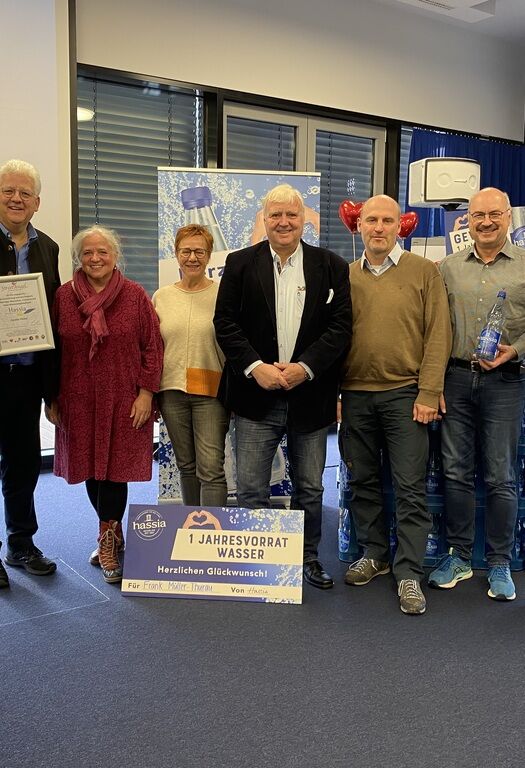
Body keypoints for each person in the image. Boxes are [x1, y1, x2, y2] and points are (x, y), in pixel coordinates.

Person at [213, 183, 352, 589]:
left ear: (304, 218)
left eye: (292, 214)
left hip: (310, 396)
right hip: (255, 395)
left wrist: (305, 368)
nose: (284, 222)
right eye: (276, 214)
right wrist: (255, 367)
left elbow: (340, 328)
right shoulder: (240, 263)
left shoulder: (331, 265)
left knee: (309, 487)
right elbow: (225, 323)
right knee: (251, 487)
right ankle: (259, 562)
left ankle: (307, 557)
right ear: (265, 219)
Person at [341, 194, 451, 615]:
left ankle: (408, 573)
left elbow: (438, 333)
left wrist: (429, 392)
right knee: (362, 481)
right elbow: (333, 338)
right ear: (359, 225)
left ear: (399, 226)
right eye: (371, 220)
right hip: (355, 394)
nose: (379, 228)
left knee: (409, 487)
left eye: (387, 220)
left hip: (406, 394)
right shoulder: (345, 275)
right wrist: (336, 393)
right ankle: (375, 554)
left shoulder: (423, 271)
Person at [48, 226, 163, 583]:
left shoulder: (135, 295)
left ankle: (107, 539)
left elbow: (153, 347)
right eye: (87, 252)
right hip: (77, 398)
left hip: (124, 397)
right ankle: (110, 531)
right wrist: (50, 397)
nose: (95, 258)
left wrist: (146, 393)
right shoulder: (64, 296)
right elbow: (52, 351)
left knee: (114, 470)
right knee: (90, 469)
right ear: (78, 258)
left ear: (115, 256)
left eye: (103, 252)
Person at [428, 187, 525, 601]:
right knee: (455, 471)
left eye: (494, 215)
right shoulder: (447, 268)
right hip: (455, 379)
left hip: (506, 382)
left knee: (501, 475)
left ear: (508, 218)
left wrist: (514, 351)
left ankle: (500, 560)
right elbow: (434, 327)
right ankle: (460, 556)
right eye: (478, 215)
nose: (486, 222)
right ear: (468, 219)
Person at [0, 159, 60, 589]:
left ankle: (21, 544)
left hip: (26, 376)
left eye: (25, 193)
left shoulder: (49, 248)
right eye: (8, 191)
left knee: (22, 464)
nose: (16, 199)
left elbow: (55, 316)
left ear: (37, 202)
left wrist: (53, 387)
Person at [153, 224, 229, 507]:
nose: (192, 258)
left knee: (210, 469)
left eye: (199, 251)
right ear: (176, 254)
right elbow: (152, 347)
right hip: (171, 391)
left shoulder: (223, 295)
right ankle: (192, 527)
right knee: (186, 465)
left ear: (209, 255)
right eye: (186, 251)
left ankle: (213, 530)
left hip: (211, 391)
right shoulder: (161, 297)